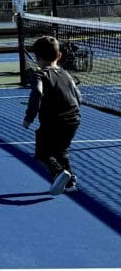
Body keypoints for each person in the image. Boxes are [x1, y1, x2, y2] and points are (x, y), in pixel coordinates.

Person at [23, 36, 82, 196]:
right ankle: (69, 182)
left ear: (37, 58)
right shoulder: (66, 74)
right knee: (60, 150)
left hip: (53, 121)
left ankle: (58, 173)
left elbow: (37, 93)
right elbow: (78, 97)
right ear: (59, 56)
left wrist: (29, 116)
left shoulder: (40, 75)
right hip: (74, 120)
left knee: (42, 152)